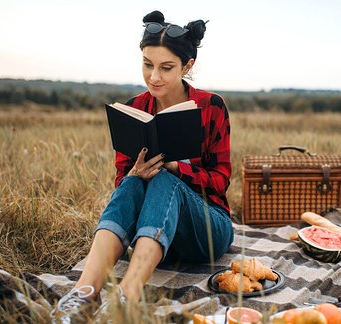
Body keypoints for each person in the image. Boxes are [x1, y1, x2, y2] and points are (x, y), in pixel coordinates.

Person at [51, 10, 234, 323]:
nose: (154, 77)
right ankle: (82, 294)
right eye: (148, 64)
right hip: (153, 232)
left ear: (187, 66)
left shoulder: (211, 106)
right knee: (132, 183)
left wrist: (178, 169)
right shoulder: (135, 108)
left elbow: (221, 180)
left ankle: (126, 295)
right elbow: (122, 184)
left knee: (165, 178)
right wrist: (133, 173)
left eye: (166, 68)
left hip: (207, 225)